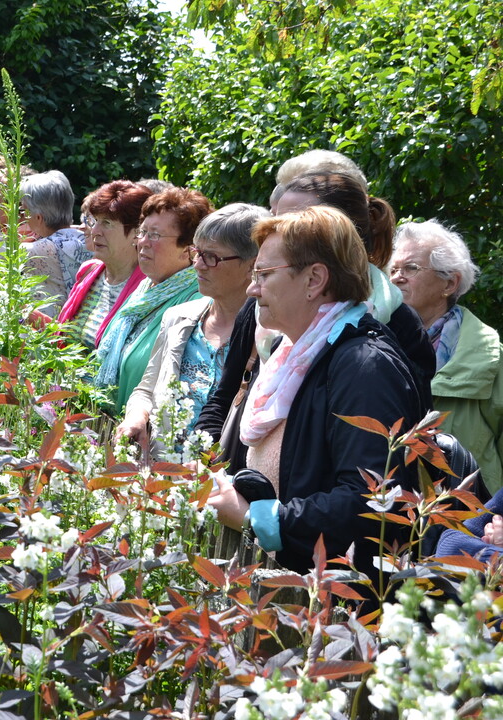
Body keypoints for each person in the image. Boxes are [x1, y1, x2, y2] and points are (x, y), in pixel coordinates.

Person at [206, 207, 425, 577]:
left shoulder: (363, 366)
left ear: (314, 280)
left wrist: (255, 517)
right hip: (286, 588)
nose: (251, 288)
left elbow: (371, 497)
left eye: (263, 274)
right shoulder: (291, 352)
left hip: (333, 604)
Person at [197, 171, 435, 469]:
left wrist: (269, 514)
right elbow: (225, 394)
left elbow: (370, 481)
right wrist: (201, 464)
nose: (278, 230)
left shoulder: (373, 352)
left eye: (297, 219)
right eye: (277, 216)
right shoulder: (265, 311)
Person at [117, 203, 269, 454]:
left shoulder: (268, 334)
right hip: (162, 477)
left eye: (211, 257)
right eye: (197, 253)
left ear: (252, 266)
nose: (197, 264)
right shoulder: (179, 318)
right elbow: (146, 389)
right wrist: (137, 416)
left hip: (223, 482)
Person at [391, 220, 503, 494]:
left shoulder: (489, 357)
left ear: (449, 283)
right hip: (386, 512)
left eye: (410, 268)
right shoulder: (374, 344)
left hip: (467, 518)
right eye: (392, 269)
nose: (396, 277)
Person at [95, 188, 213, 413]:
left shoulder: (197, 302)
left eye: (155, 235)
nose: (143, 243)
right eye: (142, 232)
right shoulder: (144, 288)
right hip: (106, 427)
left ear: (188, 249)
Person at [57, 181, 152, 349]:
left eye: (107, 223)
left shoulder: (148, 287)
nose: (94, 231)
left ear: (137, 232)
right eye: (95, 221)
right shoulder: (89, 270)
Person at [15, 170, 92, 316]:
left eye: (23, 211)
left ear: (38, 218)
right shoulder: (88, 240)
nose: (22, 217)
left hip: (49, 334)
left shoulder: (33, 251)